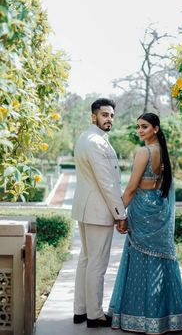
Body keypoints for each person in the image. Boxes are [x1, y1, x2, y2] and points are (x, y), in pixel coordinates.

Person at [108, 113, 182, 334]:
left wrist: (118, 214)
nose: (140, 131)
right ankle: (167, 318)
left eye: (144, 126)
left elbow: (131, 188)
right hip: (158, 209)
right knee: (161, 262)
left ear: (155, 128)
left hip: (142, 210)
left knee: (139, 262)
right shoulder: (163, 153)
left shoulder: (144, 152)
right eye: (138, 127)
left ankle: (139, 317)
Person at [71, 98, 127, 328]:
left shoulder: (85, 138)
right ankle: (95, 315)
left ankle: (80, 311)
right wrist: (120, 214)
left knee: (86, 260)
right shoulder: (96, 142)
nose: (109, 119)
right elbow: (107, 183)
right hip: (97, 211)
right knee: (96, 263)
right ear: (94, 116)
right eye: (105, 115)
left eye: (112, 115)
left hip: (86, 209)